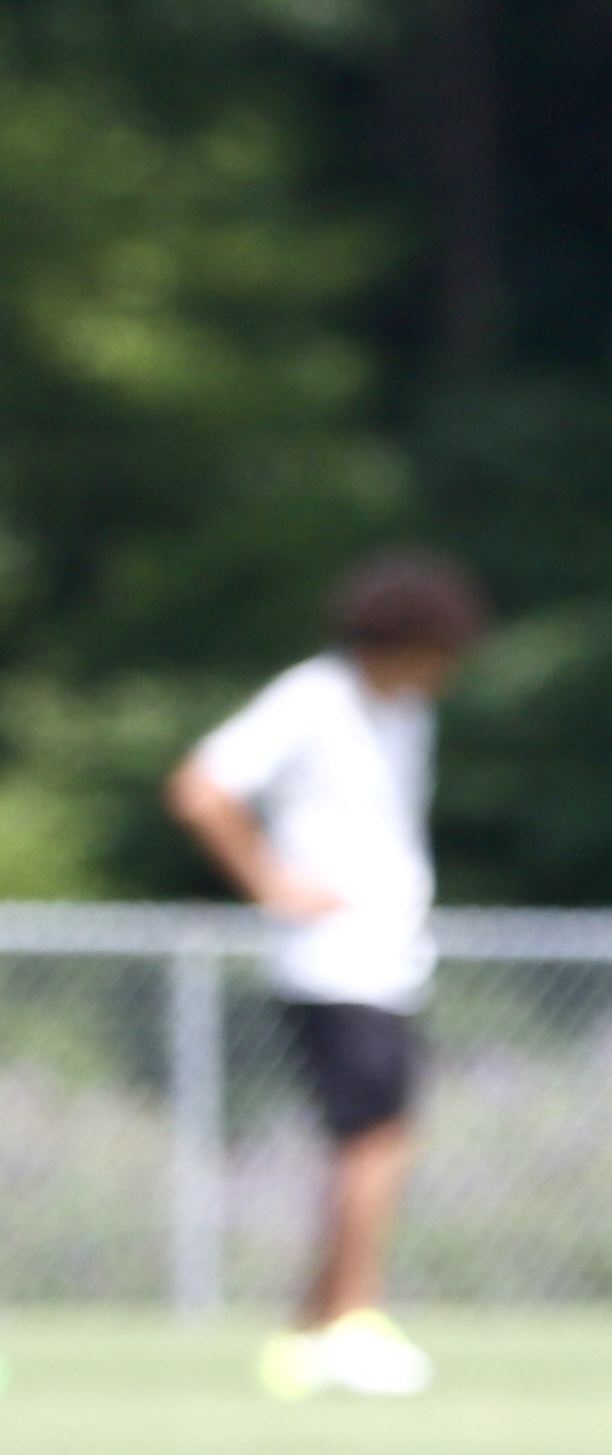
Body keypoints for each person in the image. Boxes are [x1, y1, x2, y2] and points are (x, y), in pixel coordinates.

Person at [167, 549, 494, 1400]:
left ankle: (309, 1331)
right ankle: (351, 1320)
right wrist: (271, 882)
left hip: (389, 957)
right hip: (332, 961)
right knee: (372, 1140)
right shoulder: (313, 699)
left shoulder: (406, 716)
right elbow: (201, 788)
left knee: (379, 1138)